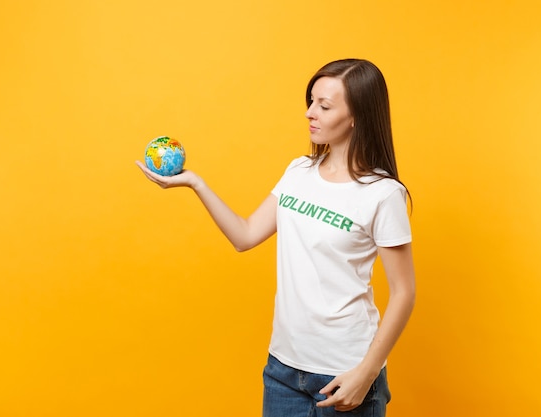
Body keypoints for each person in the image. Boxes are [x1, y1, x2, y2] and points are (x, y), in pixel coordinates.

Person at [136, 58, 415, 417]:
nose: (310, 113)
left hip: (345, 371)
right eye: (311, 101)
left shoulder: (382, 193)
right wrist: (195, 183)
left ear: (356, 116)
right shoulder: (299, 171)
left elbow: (404, 292)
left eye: (324, 106)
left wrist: (367, 372)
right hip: (283, 370)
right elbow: (245, 235)